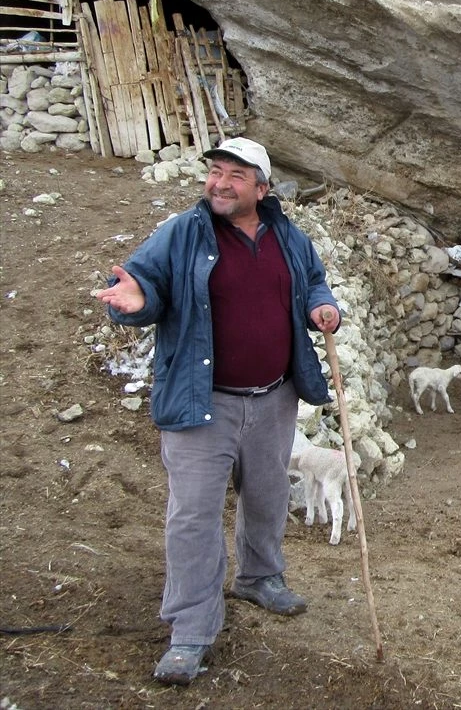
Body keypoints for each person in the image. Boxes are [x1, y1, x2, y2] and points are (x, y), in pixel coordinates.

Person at [97, 137, 342, 687]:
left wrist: (322, 306)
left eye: (235, 174)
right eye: (215, 171)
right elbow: (142, 286)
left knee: (267, 494)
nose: (219, 183)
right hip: (201, 399)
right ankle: (190, 628)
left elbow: (312, 283)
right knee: (193, 515)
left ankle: (259, 577)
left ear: (262, 188)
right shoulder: (183, 232)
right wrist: (136, 303)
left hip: (275, 396)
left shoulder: (288, 237)